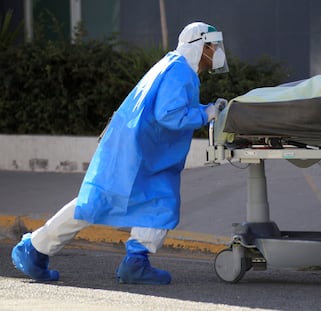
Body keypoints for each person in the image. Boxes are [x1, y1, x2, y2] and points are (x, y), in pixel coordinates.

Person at [11, 21, 229, 285]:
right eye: (213, 45)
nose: (217, 50)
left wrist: (203, 109)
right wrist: (205, 114)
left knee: (145, 202)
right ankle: (36, 248)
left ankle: (132, 261)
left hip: (140, 150)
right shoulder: (180, 72)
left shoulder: (175, 66)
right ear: (200, 46)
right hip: (139, 152)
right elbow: (168, 114)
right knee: (113, 202)